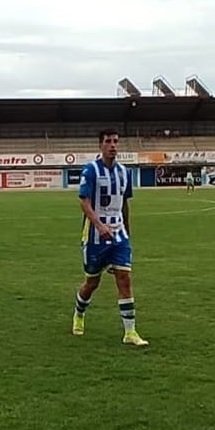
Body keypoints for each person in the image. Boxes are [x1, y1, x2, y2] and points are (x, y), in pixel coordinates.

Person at [72, 130, 149, 346]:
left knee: (124, 279)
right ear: (100, 145)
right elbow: (84, 201)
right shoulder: (91, 170)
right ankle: (79, 313)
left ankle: (130, 332)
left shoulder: (125, 172)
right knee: (92, 282)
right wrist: (99, 225)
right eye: (108, 141)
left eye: (116, 141)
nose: (113, 145)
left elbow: (125, 203)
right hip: (95, 236)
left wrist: (127, 234)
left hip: (119, 234)